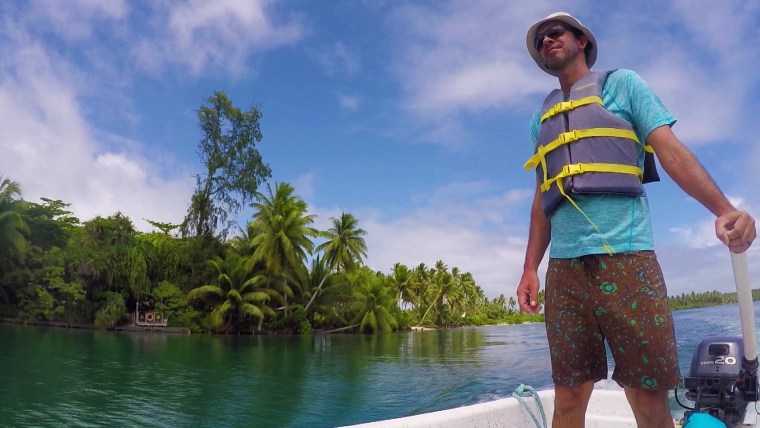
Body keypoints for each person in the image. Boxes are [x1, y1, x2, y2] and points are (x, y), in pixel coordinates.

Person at [516, 11, 757, 428]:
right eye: (540, 41)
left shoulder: (624, 85)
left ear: (581, 40)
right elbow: (543, 197)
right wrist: (529, 269)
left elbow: (671, 151)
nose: (546, 41)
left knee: (647, 399)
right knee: (569, 396)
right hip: (565, 272)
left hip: (628, 262)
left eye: (554, 33)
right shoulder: (542, 118)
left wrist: (724, 209)